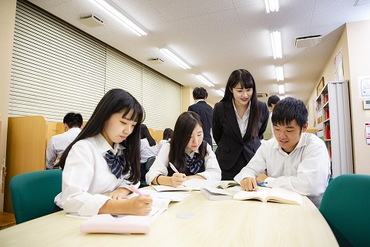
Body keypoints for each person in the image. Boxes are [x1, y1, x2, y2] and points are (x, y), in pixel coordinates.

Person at [54, 89, 152, 216]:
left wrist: (122, 191)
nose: (128, 131)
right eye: (123, 122)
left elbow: (132, 179)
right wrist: (123, 206)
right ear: (105, 116)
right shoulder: (84, 149)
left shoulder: (120, 148)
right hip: (72, 217)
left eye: (133, 125)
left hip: (102, 216)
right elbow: (72, 199)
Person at [234, 97, 331, 207]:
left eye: (289, 130)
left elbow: (310, 186)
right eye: (277, 129)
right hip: (273, 208)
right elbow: (249, 170)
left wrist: (268, 181)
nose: (281, 136)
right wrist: (247, 177)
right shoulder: (268, 146)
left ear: (304, 127)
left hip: (308, 209)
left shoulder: (315, 146)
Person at [212, 69, 269, 180]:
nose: (245, 95)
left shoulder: (261, 107)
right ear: (231, 89)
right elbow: (217, 134)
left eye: (248, 90)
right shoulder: (220, 108)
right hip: (227, 162)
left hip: (252, 161)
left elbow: (260, 132)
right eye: (239, 91)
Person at [146, 111, 221, 187]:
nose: (196, 141)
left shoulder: (205, 147)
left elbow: (216, 174)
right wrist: (170, 180)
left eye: (199, 134)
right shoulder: (169, 148)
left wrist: (189, 179)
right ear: (180, 135)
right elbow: (151, 176)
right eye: (189, 136)